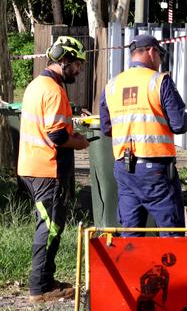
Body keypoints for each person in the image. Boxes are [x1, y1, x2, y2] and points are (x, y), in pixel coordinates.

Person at [17, 36, 90, 303]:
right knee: (50, 228)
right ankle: (40, 288)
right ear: (64, 60)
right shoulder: (54, 90)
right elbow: (58, 137)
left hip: (31, 164)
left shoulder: (37, 84)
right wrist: (80, 142)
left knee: (49, 225)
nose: (79, 70)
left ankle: (46, 280)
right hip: (48, 168)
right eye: (77, 64)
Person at [99, 34, 187, 236]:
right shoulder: (159, 81)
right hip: (155, 167)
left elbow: (106, 127)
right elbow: (179, 125)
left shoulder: (112, 85)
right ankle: (172, 267)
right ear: (151, 51)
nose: (159, 61)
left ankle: (133, 268)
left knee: (130, 232)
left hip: (124, 168)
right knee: (171, 230)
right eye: (160, 55)